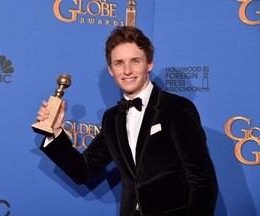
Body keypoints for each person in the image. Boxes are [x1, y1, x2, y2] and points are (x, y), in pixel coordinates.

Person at [36, 26, 218, 216]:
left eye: (135, 61)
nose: (127, 71)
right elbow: (83, 171)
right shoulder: (112, 118)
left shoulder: (177, 108)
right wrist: (54, 131)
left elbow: (203, 183)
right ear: (111, 70)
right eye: (119, 63)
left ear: (149, 64)